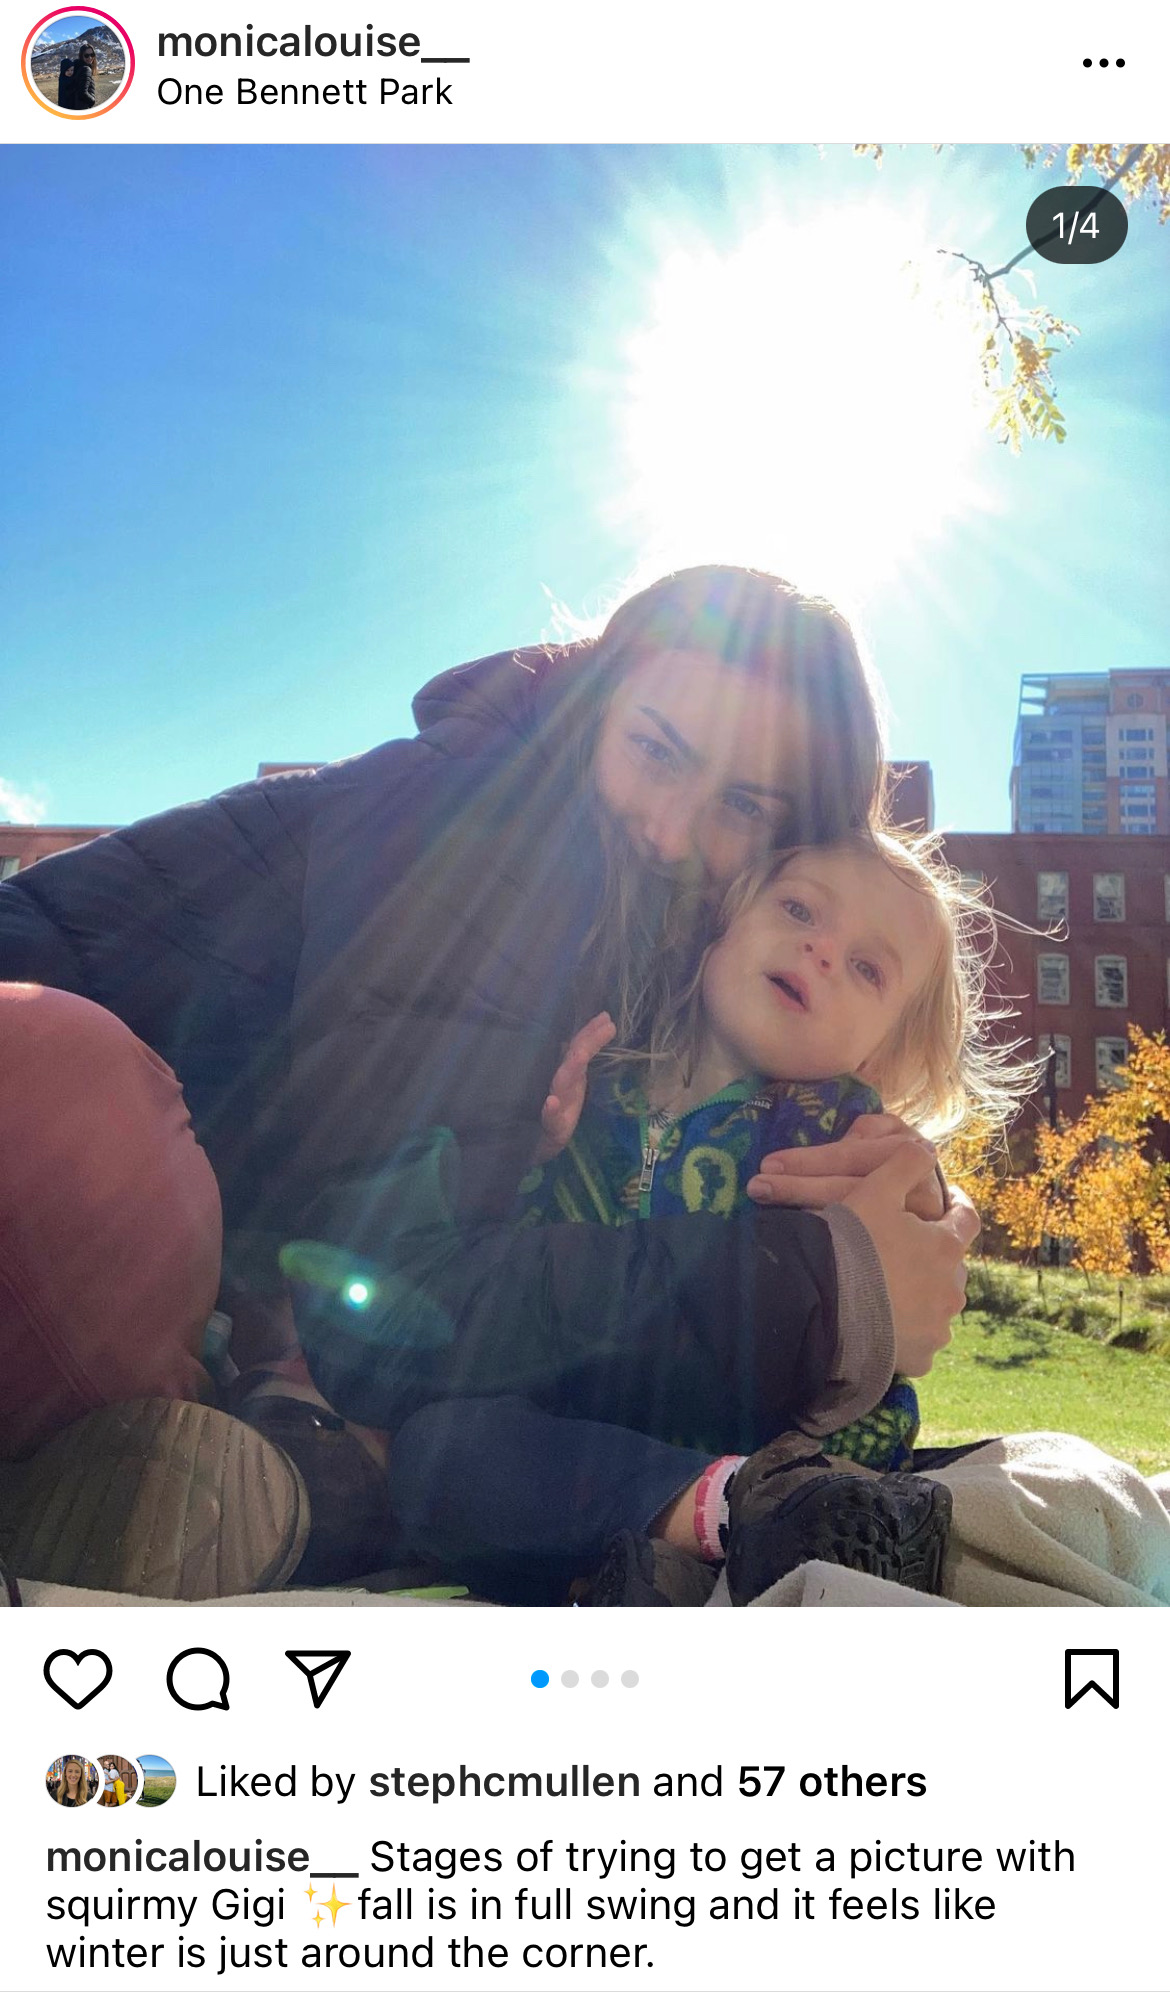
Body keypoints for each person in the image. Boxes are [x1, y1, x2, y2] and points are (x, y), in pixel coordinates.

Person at [0, 565, 976, 1596]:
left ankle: (266, 1470)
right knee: (61, 1078)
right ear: (600, 700)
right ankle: (240, 1476)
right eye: (655, 750)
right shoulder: (485, 838)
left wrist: (895, 1206)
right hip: (51, 1150)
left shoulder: (632, 958)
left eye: (740, 803)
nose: (670, 830)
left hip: (219, 1272)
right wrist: (830, 1290)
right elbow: (389, 1309)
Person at [372, 830, 1028, 1602]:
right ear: (723, 924)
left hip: (782, 1448)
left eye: (865, 967)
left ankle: (752, 1529)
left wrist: (920, 1201)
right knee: (437, 1454)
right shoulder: (596, 1085)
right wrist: (534, 1152)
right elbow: (513, 1270)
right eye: (799, 910)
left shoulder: (846, 1136)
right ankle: (709, 1528)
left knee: (832, 1490)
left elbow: (878, 1313)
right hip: (592, 1440)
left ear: (877, 1056)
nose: (821, 951)